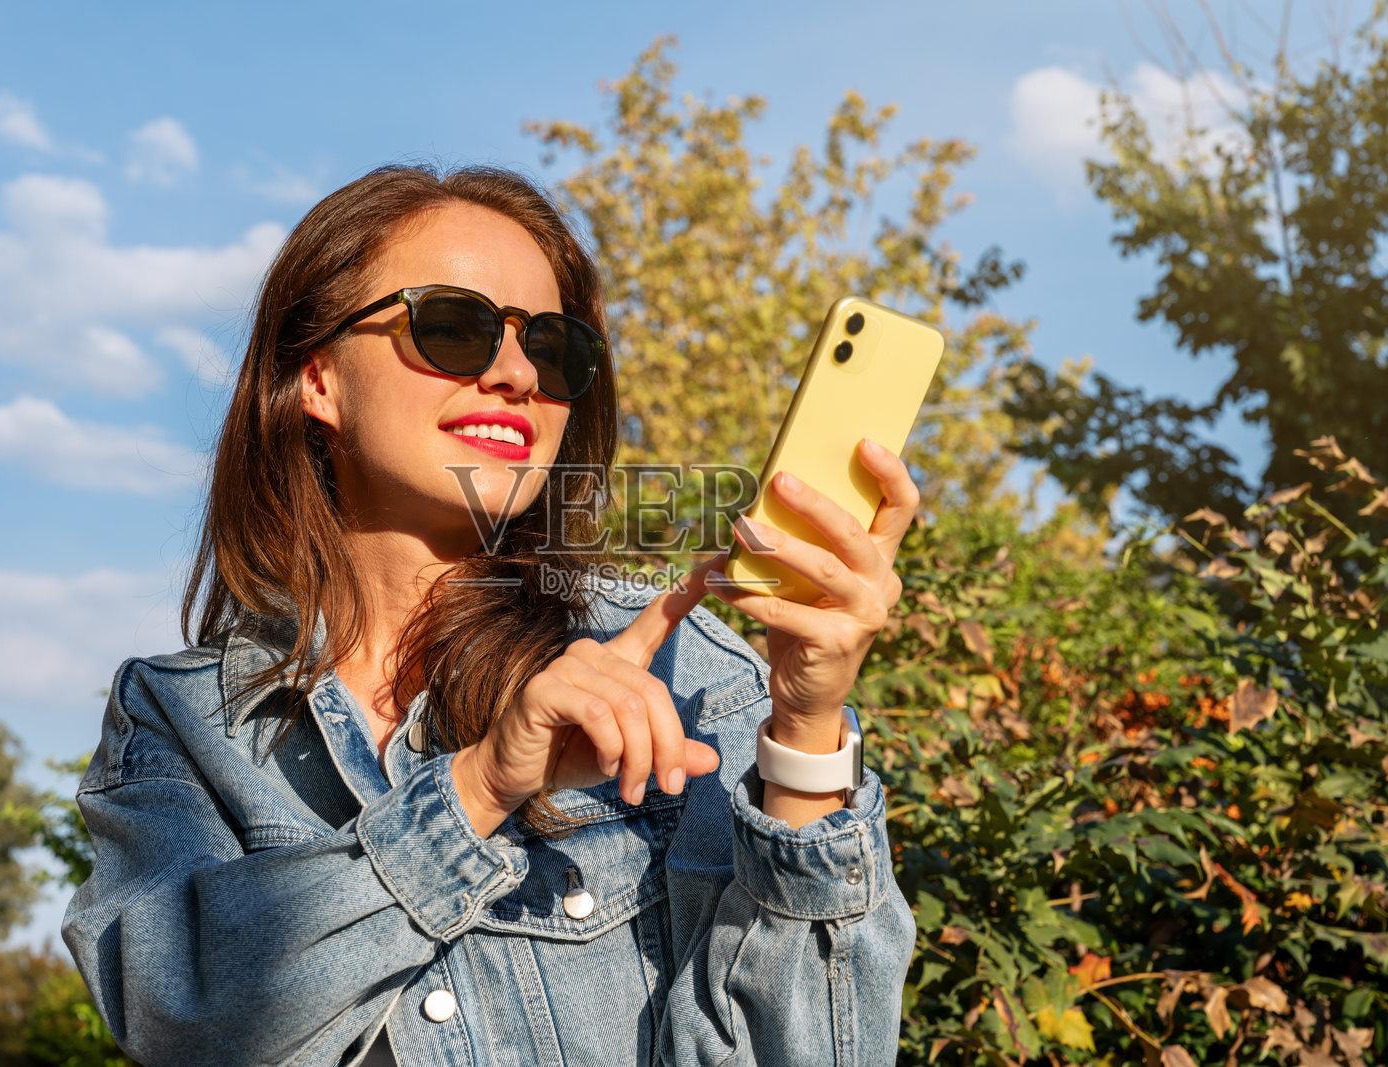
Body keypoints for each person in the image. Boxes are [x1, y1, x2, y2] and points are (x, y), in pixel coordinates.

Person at [63, 163, 918, 1067]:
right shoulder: (180, 717)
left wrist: (810, 729)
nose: (516, 374)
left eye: (553, 349)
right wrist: (477, 792)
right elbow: (183, 1018)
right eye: (453, 327)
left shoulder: (680, 667)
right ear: (317, 378)